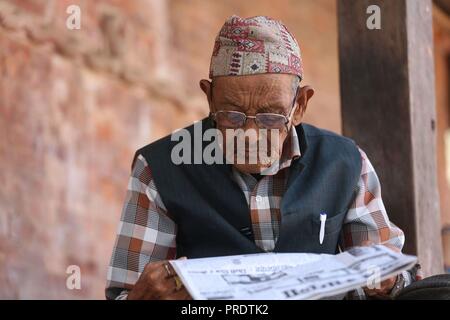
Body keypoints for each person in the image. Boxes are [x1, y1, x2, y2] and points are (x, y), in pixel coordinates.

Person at [105, 15, 419, 300]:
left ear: (300, 106)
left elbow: (396, 278)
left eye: (270, 116)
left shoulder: (345, 163)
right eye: (232, 116)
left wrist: (390, 281)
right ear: (209, 97)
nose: (251, 134)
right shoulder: (160, 169)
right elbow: (128, 293)